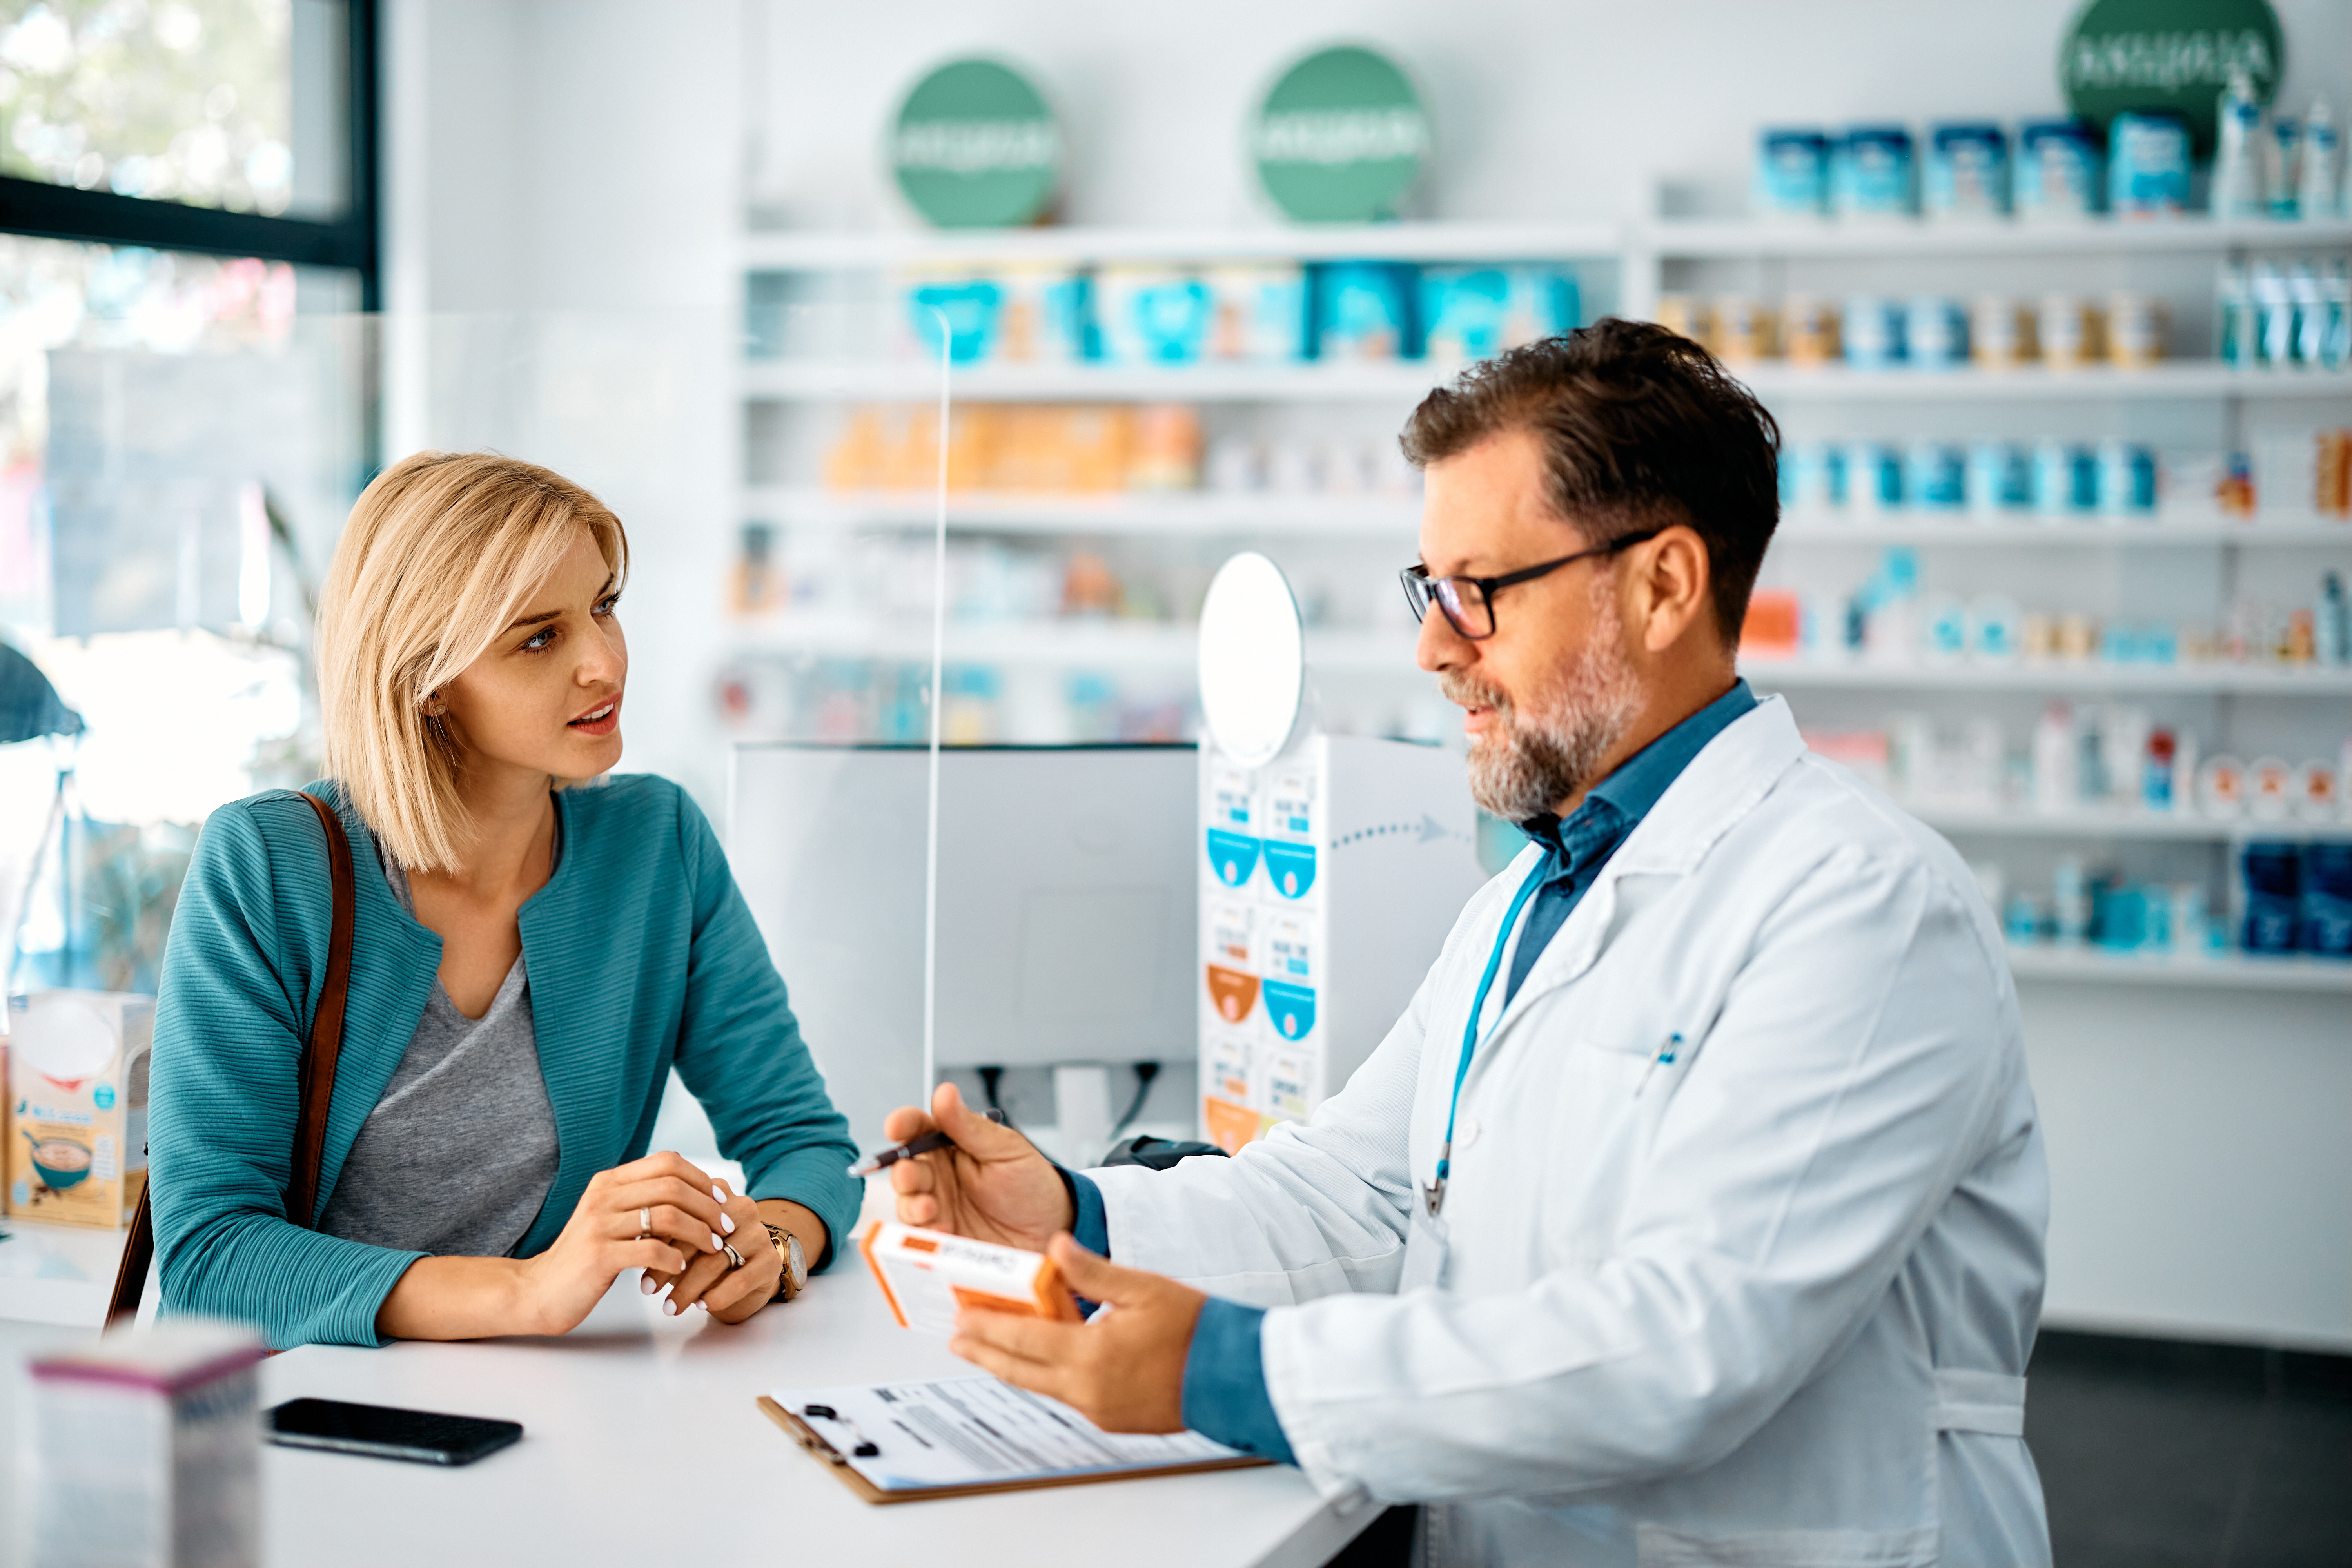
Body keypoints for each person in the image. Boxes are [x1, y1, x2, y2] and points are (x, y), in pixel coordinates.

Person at [884, 322, 2052, 1565]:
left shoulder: (1863, 905)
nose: (1436, 647)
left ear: (1664, 586)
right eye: (1426, 590)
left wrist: (1223, 1369)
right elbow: (1355, 1191)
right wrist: (1073, 1210)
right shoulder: (1527, 897)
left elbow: (1692, 1345)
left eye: (1479, 592)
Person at [149, 452, 858, 1350]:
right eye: (539, 637)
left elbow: (802, 1137)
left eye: (603, 605)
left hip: (546, 1407)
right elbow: (214, 1255)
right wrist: (531, 1290)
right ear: (429, 681)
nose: (604, 663)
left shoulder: (658, 843)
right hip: (306, 1413)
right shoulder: (269, 863)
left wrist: (778, 1243)